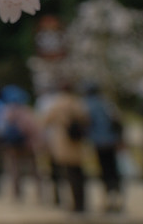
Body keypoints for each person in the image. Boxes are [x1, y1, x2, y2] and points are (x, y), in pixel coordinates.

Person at [41, 80, 90, 214]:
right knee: (79, 172)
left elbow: (46, 121)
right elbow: (85, 119)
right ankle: (82, 202)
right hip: (76, 141)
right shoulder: (77, 102)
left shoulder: (56, 104)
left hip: (62, 141)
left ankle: (75, 204)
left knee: (70, 173)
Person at [84, 81, 124, 212]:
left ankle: (108, 198)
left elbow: (86, 124)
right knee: (113, 169)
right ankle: (117, 197)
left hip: (98, 142)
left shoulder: (87, 105)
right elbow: (117, 121)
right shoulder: (107, 103)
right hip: (111, 141)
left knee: (104, 170)